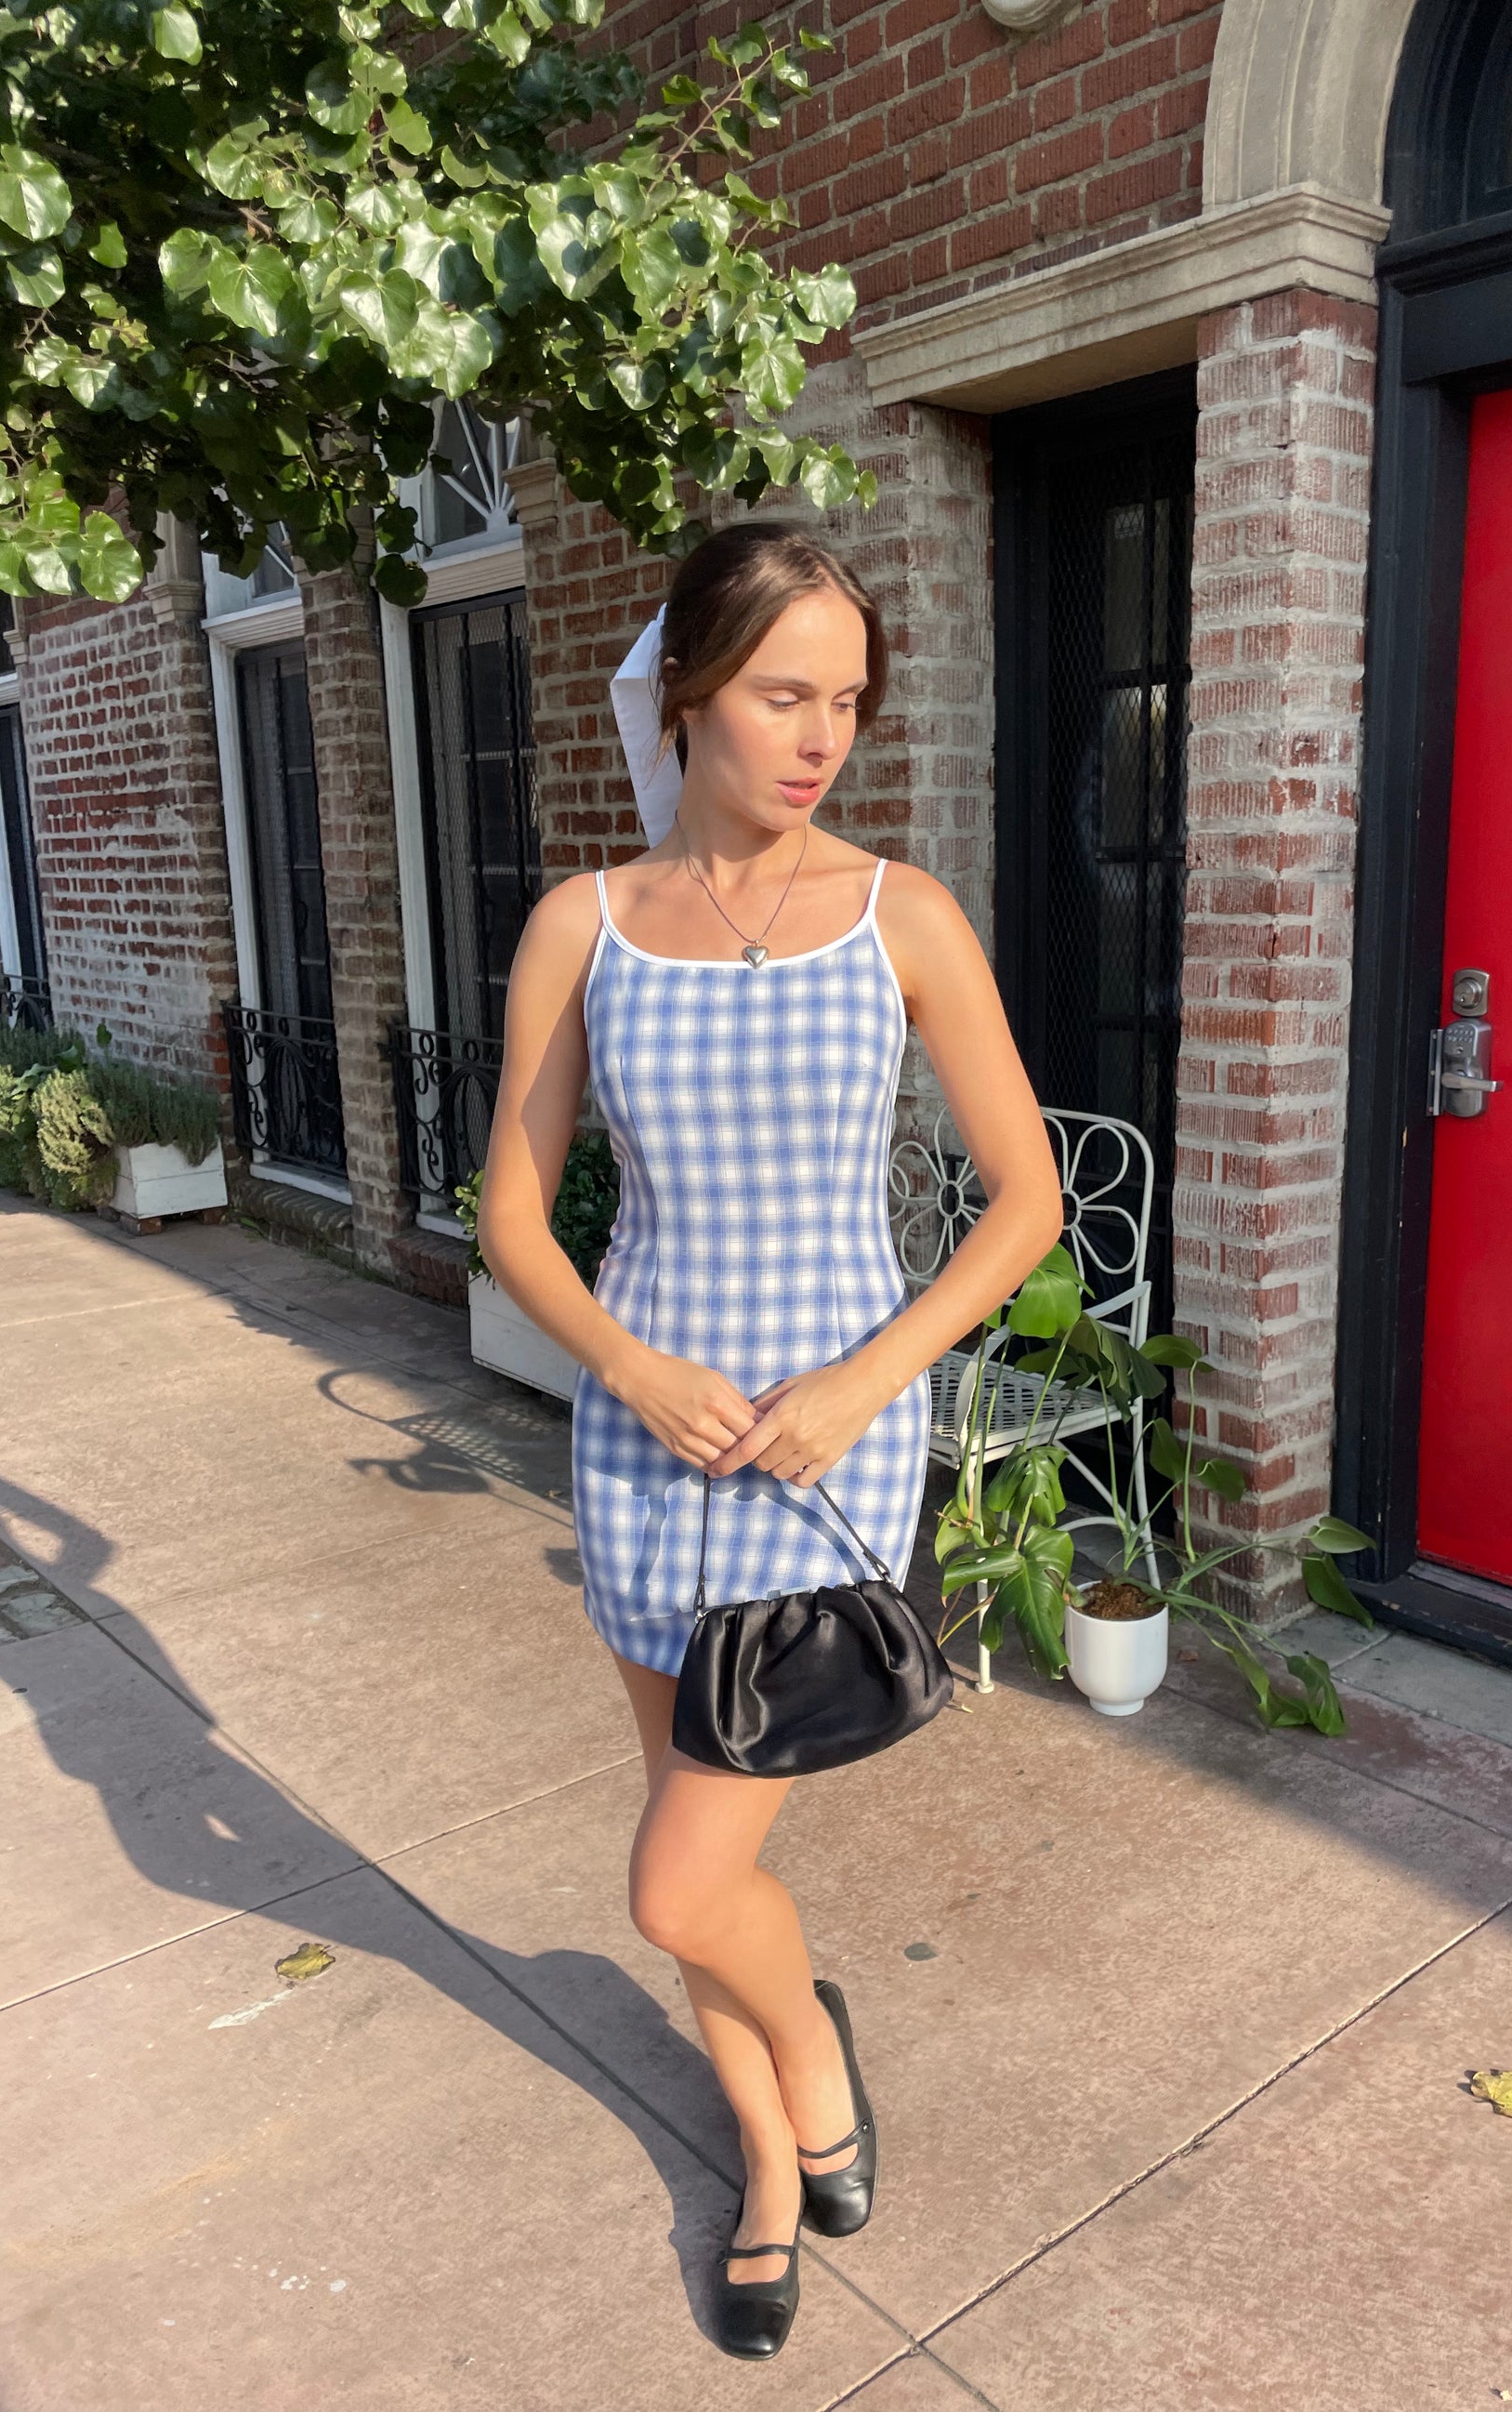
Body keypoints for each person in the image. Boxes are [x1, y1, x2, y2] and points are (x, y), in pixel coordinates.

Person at [478, 520, 1062, 2358]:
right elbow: (509, 1205)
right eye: (781, 693)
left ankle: (809, 2046)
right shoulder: (581, 925)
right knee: (693, 1851)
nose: (821, 735)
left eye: (847, 701)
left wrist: (869, 1377)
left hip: (828, 1450)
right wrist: (627, 1363)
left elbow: (1021, 1201)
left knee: (677, 1875)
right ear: (689, 692)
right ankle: (761, 2155)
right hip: (645, 1454)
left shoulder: (907, 917)